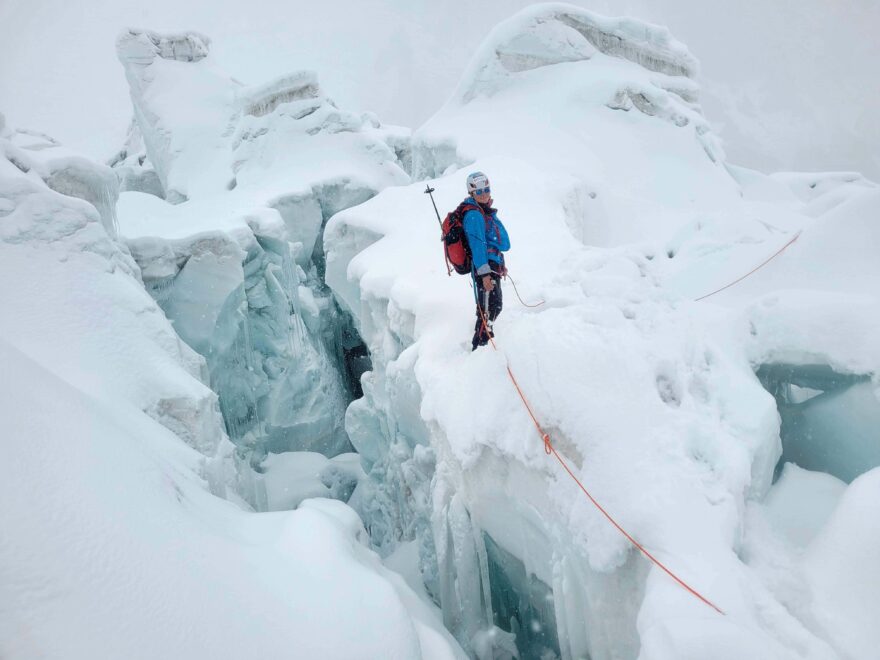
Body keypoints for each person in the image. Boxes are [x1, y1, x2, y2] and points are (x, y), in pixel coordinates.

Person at [462, 171, 510, 350]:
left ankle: (483, 344)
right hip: (484, 269)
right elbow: (478, 245)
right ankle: (480, 348)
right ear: (472, 193)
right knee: (489, 309)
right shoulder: (474, 215)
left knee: (492, 307)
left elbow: (492, 243)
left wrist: (500, 265)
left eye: (487, 189)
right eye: (480, 191)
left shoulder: (484, 212)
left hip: (491, 267)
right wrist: (484, 274)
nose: (485, 194)